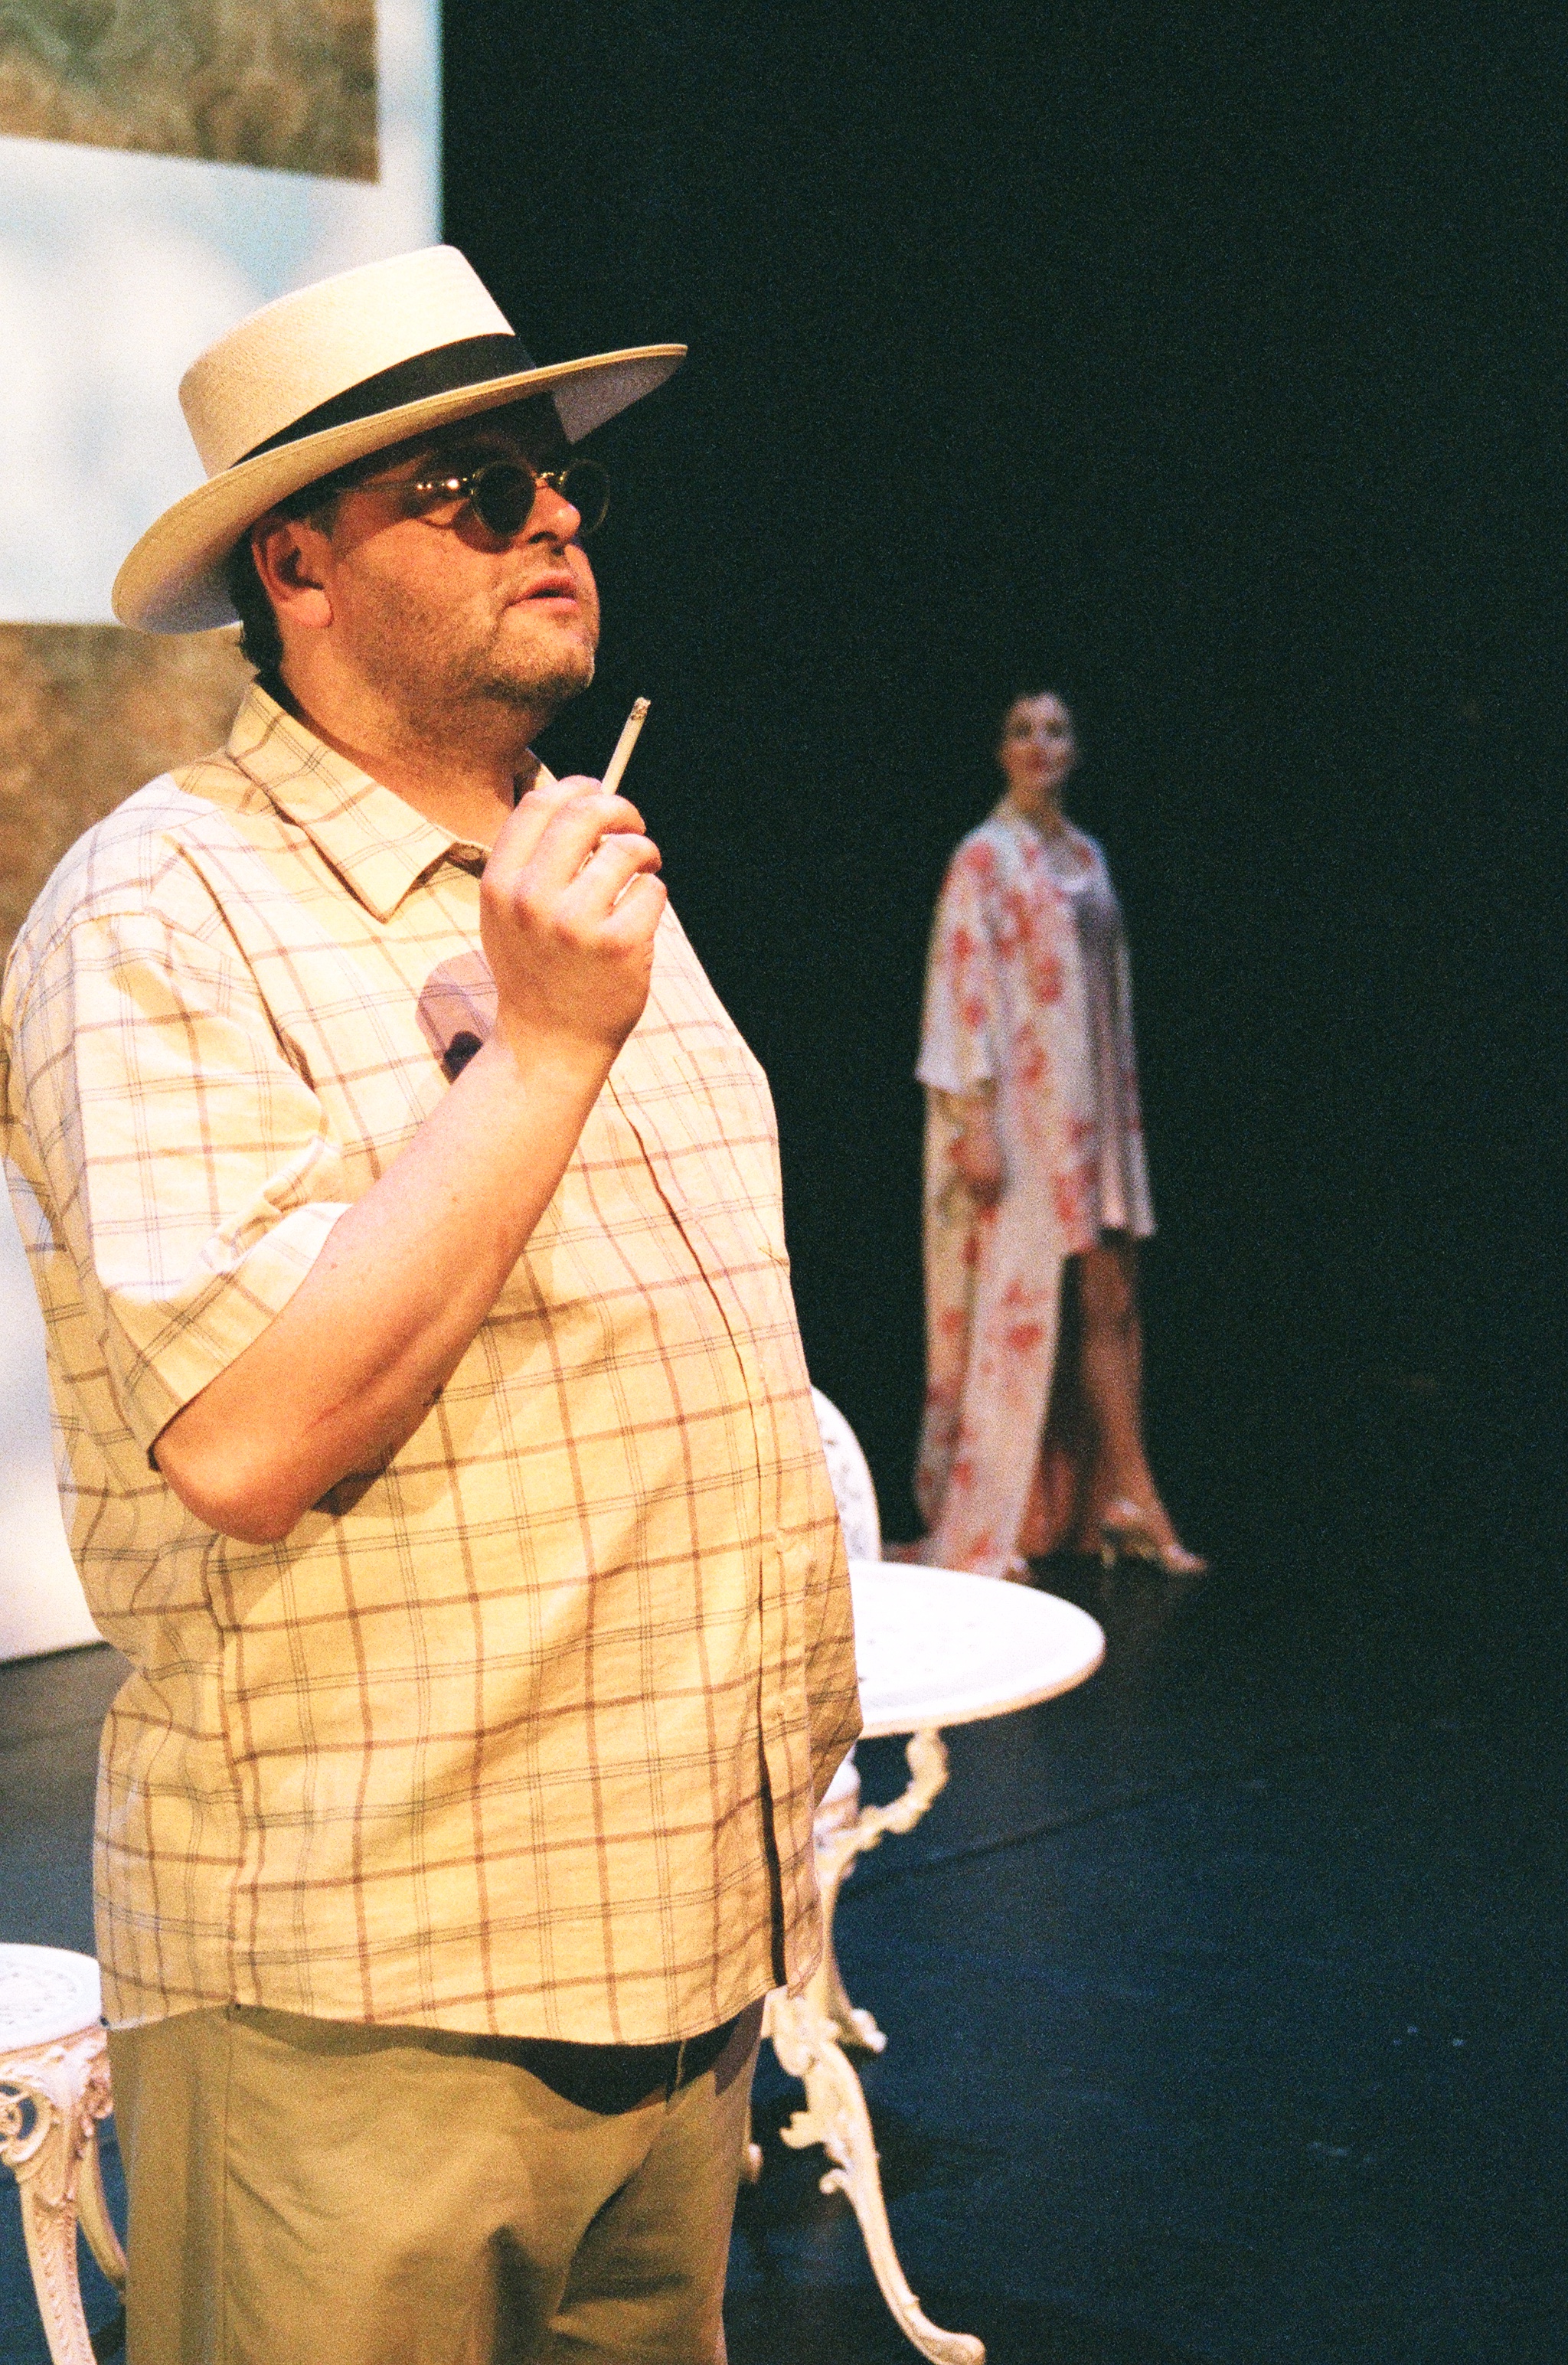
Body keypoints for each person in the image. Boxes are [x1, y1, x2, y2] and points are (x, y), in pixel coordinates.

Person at [0, 246, 861, 2365]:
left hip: (673, 1966)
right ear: (298, 563)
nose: (552, 515)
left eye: (557, 478)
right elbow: (246, 1440)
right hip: (365, 2009)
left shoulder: (566, 865)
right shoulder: (160, 910)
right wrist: (546, 1051)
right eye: (477, 490)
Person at [913, 688, 1203, 1580]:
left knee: (1109, 1301)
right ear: (1000, 750)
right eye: (1021, 730)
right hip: (1017, 1114)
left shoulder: (1086, 856)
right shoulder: (982, 855)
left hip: (1094, 1110)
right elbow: (959, 983)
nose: (1038, 744)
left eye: (1054, 730)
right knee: (1014, 1309)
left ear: (1074, 749)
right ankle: (989, 1520)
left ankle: (1128, 1499)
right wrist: (973, 1116)